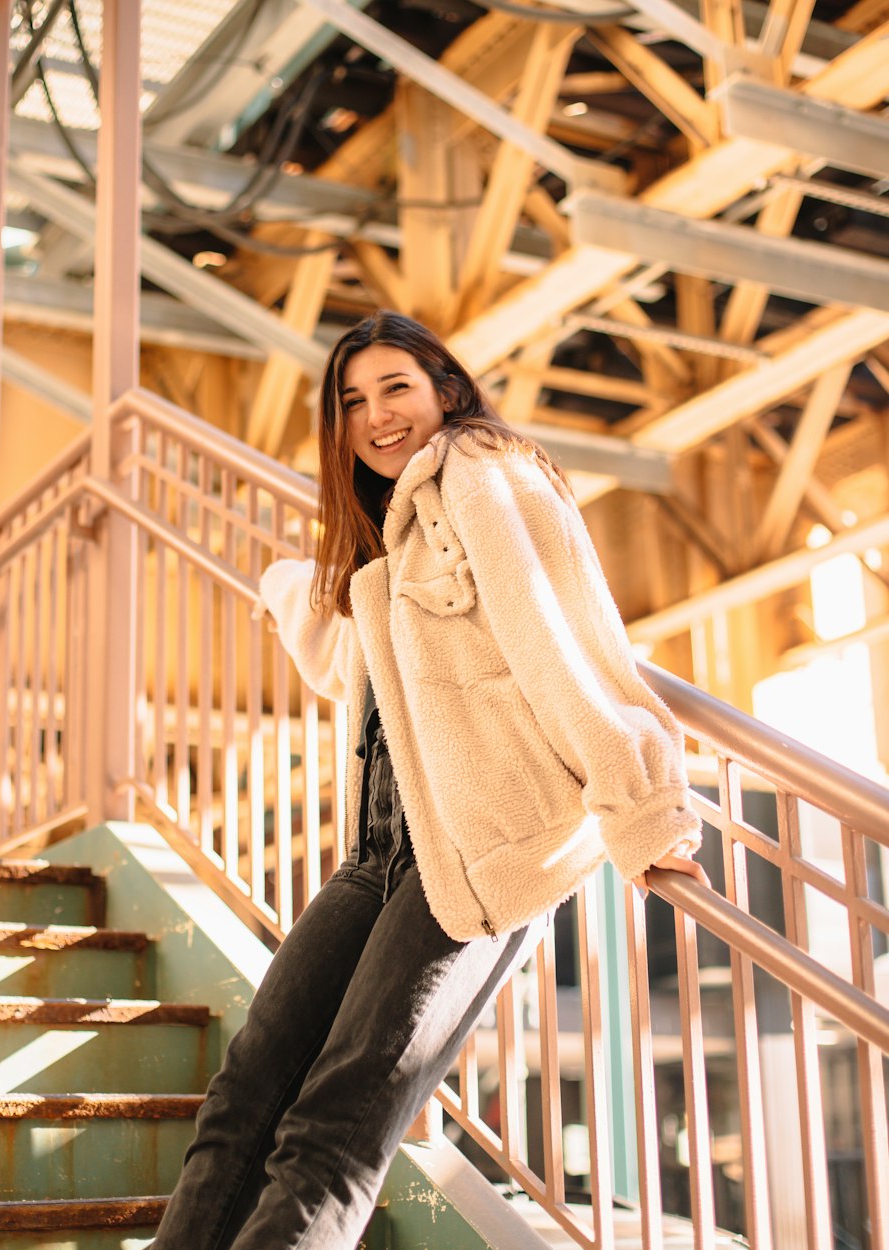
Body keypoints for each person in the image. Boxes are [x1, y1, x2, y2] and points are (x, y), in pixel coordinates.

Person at [151, 310, 708, 1250]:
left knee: (337, 1119)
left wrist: (643, 808)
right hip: (377, 855)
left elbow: (560, 643)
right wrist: (303, 586)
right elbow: (377, 677)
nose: (375, 415)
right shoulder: (395, 532)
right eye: (352, 400)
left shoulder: (485, 475)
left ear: (446, 389)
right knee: (248, 1085)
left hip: (478, 857)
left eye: (395, 388)